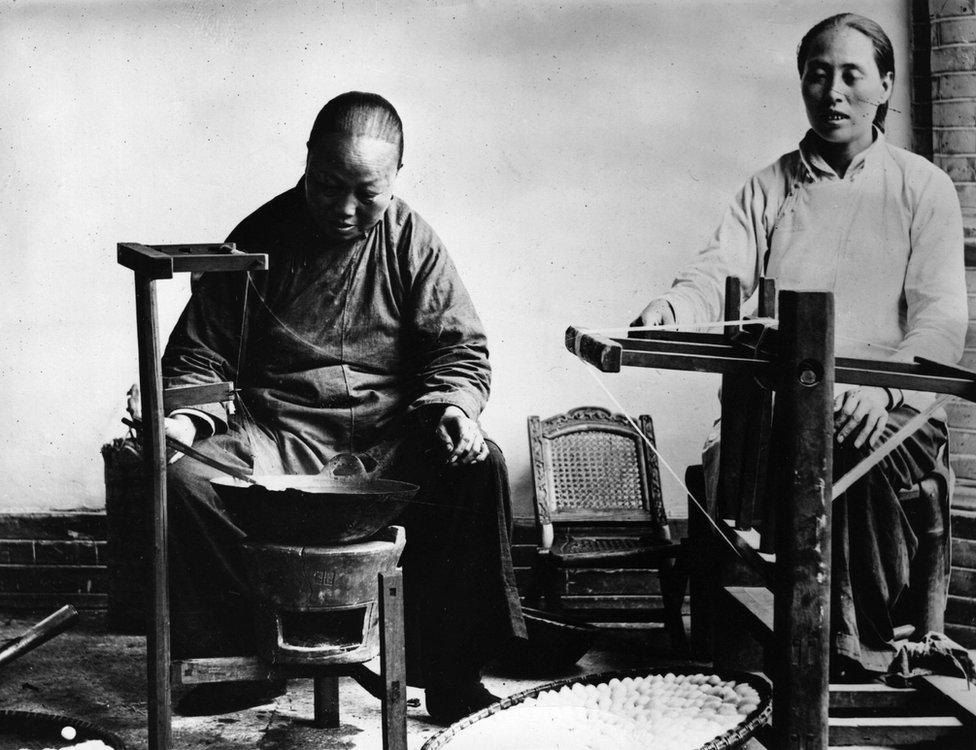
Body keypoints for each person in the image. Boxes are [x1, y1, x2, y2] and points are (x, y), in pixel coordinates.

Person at [155, 91, 525, 722]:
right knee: (181, 475)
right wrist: (183, 418)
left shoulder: (414, 243)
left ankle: (451, 674)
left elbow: (458, 350)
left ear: (396, 177)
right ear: (306, 162)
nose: (346, 210)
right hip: (278, 436)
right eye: (327, 187)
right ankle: (236, 664)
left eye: (368, 192)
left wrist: (458, 408)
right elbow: (202, 357)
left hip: (386, 440)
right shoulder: (257, 238)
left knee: (476, 463)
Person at [632, 13, 967, 678]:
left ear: (886, 85)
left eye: (851, 75)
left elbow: (942, 322)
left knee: (850, 443)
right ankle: (782, 662)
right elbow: (712, 277)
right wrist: (672, 308)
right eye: (818, 74)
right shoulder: (768, 188)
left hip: (892, 414)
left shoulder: (923, 188)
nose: (833, 91)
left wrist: (884, 386)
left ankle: (848, 653)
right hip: (781, 415)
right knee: (775, 450)